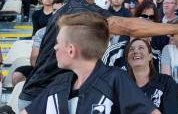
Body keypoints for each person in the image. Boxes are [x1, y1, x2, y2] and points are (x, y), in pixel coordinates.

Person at [18, 0, 178, 110]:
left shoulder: (78, 7)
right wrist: (175, 29)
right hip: (44, 98)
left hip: (57, 94)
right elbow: (125, 26)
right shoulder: (76, 8)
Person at [21, 12, 159, 114]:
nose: (55, 47)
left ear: (71, 50)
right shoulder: (59, 84)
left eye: (58, 43)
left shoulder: (114, 79)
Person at [126, 37, 178, 114]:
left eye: (141, 48)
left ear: (150, 56)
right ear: (128, 59)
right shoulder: (122, 86)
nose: (136, 51)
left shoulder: (166, 83)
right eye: (131, 49)